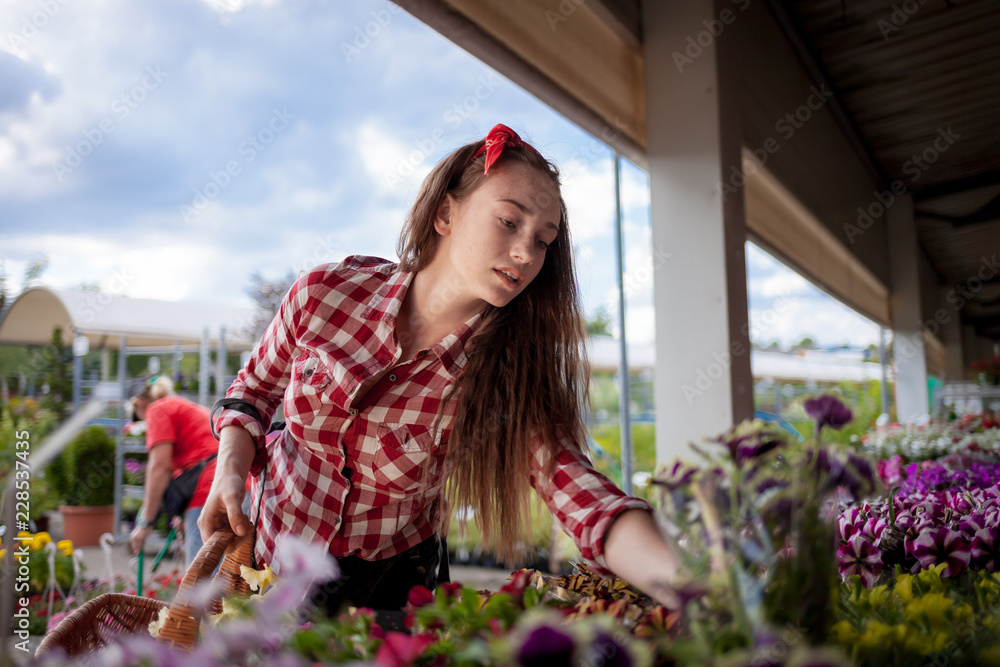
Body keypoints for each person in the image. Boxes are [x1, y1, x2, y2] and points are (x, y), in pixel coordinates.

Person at [199, 124, 680, 614]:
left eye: (543, 240)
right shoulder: (325, 294)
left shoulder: (502, 375)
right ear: (446, 213)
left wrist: (691, 589)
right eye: (509, 222)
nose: (525, 253)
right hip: (267, 550)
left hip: (382, 589)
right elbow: (253, 390)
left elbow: (576, 488)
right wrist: (230, 471)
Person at [128, 377, 229, 565]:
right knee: (231, 574)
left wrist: (145, 524)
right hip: (233, 480)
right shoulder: (177, 405)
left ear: (140, 404)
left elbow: (159, 467)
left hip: (209, 488)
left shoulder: (157, 410)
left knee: (202, 579)